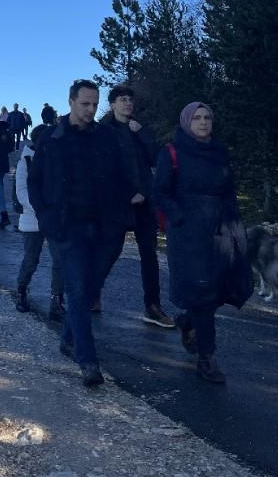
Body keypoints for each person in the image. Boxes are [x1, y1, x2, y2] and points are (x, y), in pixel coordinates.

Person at [29, 79, 139, 387]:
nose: (90, 109)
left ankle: (68, 338)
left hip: (106, 225)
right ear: (71, 102)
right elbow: (34, 180)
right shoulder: (52, 137)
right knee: (77, 290)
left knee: (91, 287)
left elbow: (123, 173)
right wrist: (45, 214)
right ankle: (88, 360)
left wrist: (127, 202)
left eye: (94, 104)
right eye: (85, 104)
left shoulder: (107, 137)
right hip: (67, 225)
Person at [154, 102, 252, 383]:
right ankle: (207, 359)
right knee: (204, 294)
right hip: (188, 236)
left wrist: (235, 227)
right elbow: (160, 192)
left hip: (221, 230)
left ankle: (187, 321)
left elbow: (229, 192)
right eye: (197, 117)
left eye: (208, 117)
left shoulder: (219, 153)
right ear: (186, 122)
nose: (203, 122)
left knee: (220, 289)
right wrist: (180, 217)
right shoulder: (171, 152)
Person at [99, 85, 173, 327]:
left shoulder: (138, 128)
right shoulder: (104, 131)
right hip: (120, 203)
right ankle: (91, 293)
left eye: (130, 100)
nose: (128, 103)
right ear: (112, 104)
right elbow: (105, 171)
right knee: (110, 252)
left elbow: (156, 158)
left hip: (145, 203)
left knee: (149, 256)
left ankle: (152, 306)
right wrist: (127, 194)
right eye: (122, 100)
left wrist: (142, 133)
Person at [14, 128, 65, 316]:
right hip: (33, 218)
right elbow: (21, 192)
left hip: (53, 218)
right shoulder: (25, 161)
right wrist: (42, 209)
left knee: (59, 259)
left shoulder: (57, 158)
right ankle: (21, 290)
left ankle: (57, 300)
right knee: (31, 259)